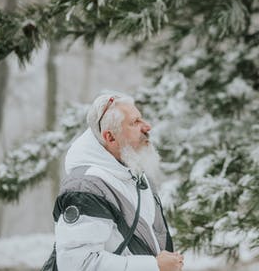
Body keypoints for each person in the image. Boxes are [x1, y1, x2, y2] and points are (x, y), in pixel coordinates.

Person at [53, 92, 184, 271]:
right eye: (134, 122)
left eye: (141, 119)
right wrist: (154, 266)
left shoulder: (133, 172)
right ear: (110, 137)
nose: (147, 126)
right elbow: (78, 265)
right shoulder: (85, 188)